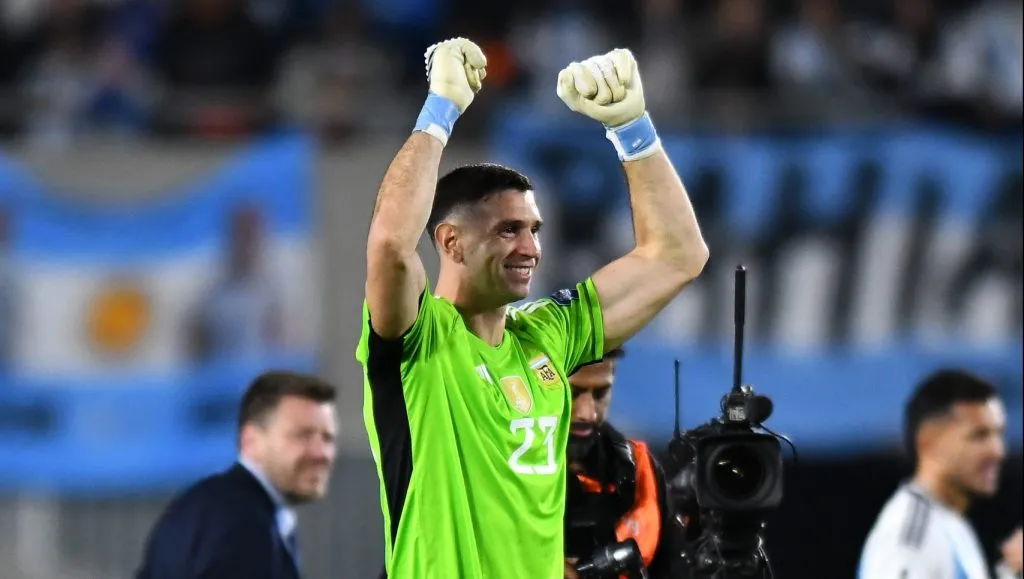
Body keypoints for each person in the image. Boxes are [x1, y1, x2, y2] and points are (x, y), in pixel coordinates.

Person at [358, 38, 708, 579]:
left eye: (534, 230)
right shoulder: (418, 340)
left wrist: (632, 128)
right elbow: (388, 244)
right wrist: (440, 109)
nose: (531, 248)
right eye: (508, 230)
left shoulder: (549, 334)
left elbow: (680, 256)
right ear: (451, 243)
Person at [135, 370, 338, 579]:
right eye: (302, 435)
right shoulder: (243, 526)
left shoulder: (201, 505)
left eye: (328, 438)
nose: (320, 453)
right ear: (251, 440)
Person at [858, 369, 1021, 579]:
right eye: (979, 436)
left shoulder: (949, 520)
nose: (997, 451)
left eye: (998, 434)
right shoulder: (913, 539)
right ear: (928, 441)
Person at [563, 347, 679, 579]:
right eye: (573, 393)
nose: (588, 413)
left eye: (600, 394)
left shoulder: (643, 471)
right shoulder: (501, 471)